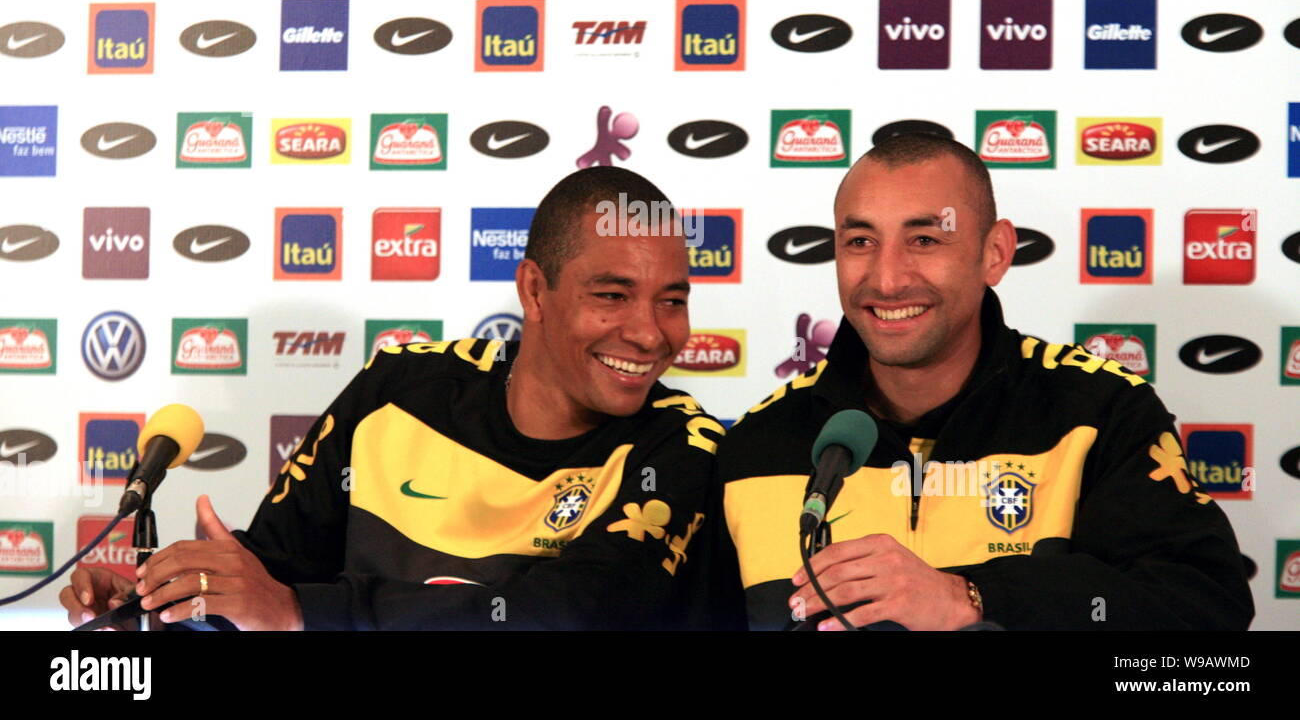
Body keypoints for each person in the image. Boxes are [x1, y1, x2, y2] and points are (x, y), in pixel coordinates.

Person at [61, 166, 743, 631]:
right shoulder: (399, 391)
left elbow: (573, 616)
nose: (652, 333)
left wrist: (301, 612)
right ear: (535, 291)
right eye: (613, 295)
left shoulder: (682, 446)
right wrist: (162, 607)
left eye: (673, 301)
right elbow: (277, 572)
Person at [718, 134, 1255, 631]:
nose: (886, 278)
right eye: (860, 240)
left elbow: (1205, 613)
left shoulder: (1099, 412)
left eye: (924, 238)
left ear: (995, 253)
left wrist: (972, 597)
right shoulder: (757, 442)